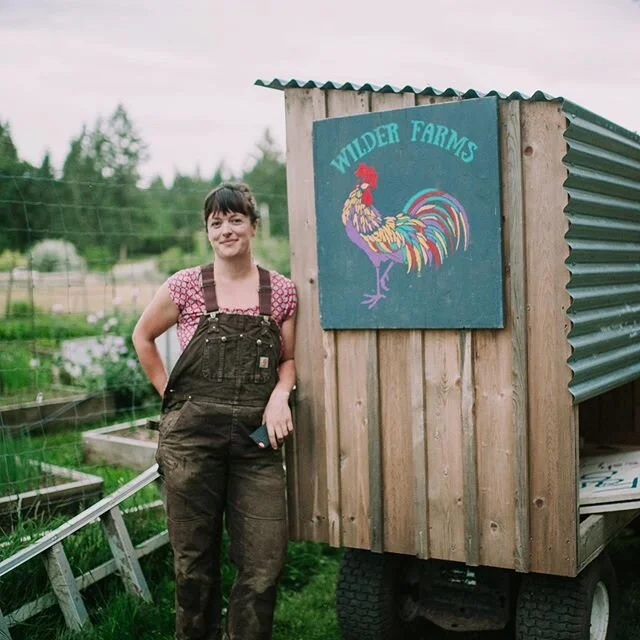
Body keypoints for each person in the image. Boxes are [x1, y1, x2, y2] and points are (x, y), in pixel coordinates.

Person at [132, 181, 297, 640]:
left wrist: (281, 394)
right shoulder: (186, 285)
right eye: (216, 222)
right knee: (193, 568)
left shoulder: (279, 292)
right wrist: (170, 397)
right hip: (191, 443)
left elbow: (287, 361)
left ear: (253, 226)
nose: (226, 230)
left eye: (236, 219)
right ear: (208, 232)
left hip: (256, 445)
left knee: (263, 565)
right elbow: (142, 337)